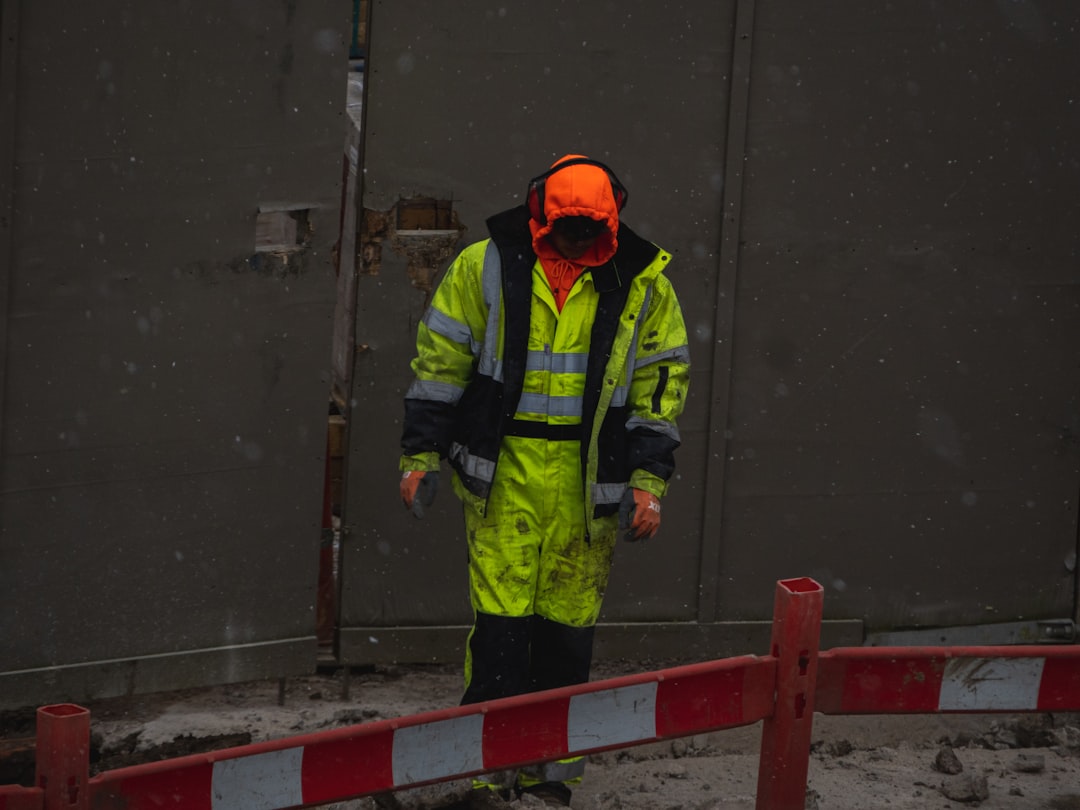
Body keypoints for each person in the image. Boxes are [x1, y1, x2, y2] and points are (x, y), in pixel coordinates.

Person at [398, 154, 690, 808]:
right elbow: (440, 361)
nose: (580, 240)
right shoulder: (486, 267)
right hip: (504, 480)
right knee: (500, 631)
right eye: (571, 227)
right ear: (541, 213)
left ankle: (548, 776)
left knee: (565, 636)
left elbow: (660, 386)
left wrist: (649, 479)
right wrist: (419, 455)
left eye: (593, 228)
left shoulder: (643, 283)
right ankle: (487, 772)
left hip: (589, 487)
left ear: (612, 219)